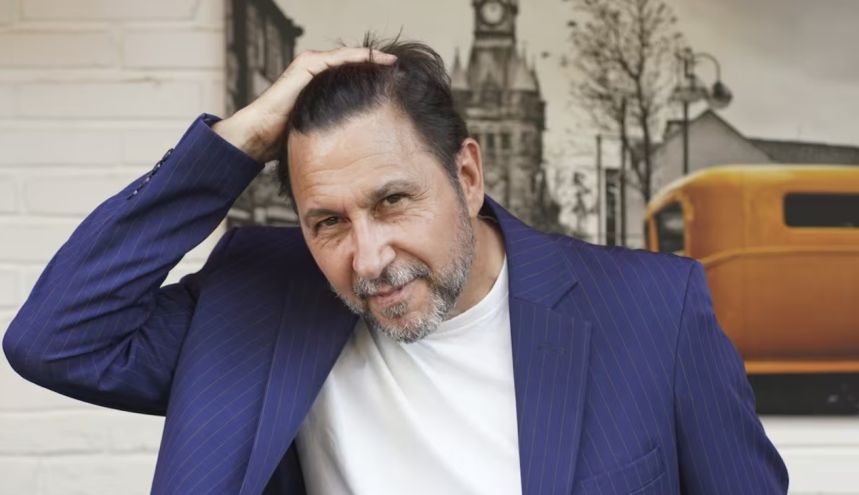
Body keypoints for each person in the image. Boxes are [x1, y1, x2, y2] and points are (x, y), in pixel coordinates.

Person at [2, 34, 788, 495]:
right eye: (327, 221)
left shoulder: (654, 311)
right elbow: (56, 337)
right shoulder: (257, 304)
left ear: (468, 175)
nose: (369, 258)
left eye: (392, 201)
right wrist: (234, 144)